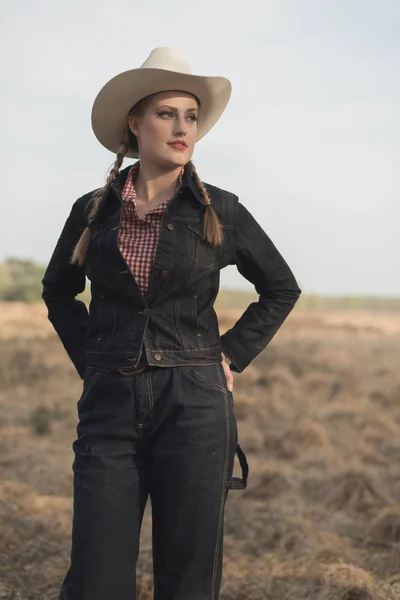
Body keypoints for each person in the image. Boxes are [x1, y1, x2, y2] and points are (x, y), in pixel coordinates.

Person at [41, 47, 301, 600]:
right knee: (96, 578)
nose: (183, 127)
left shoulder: (221, 209)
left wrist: (229, 355)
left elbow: (280, 287)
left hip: (196, 404)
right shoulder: (93, 209)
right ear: (135, 122)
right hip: (109, 402)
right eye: (167, 113)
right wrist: (92, 359)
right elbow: (58, 290)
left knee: (189, 579)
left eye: (191, 116)